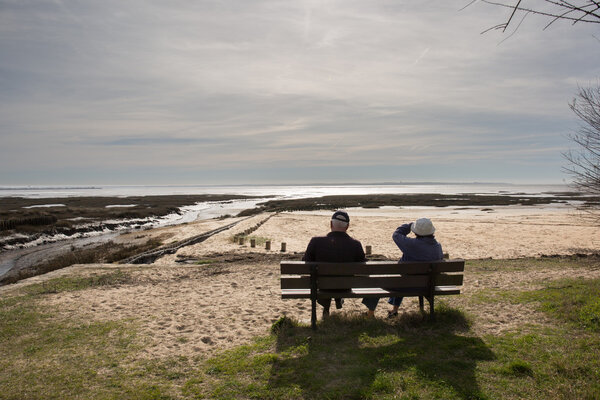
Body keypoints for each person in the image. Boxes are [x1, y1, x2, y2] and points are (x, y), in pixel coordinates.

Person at [362, 217, 443, 318]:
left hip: (406, 284)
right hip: (428, 285)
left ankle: (370, 314)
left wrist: (409, 225)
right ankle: (394, 310)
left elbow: (396, 235)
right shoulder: (437, 246)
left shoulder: (411, 244)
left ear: (416, 232)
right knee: (402, 277)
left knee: (378, 280)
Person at [302, 210, 366, 317]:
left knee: (324, 280)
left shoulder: (316, 241)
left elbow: (305, 262)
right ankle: (338, 298)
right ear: (347, 226)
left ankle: (326, 307)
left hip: (322, 285)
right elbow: (363, 267)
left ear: (331, 224)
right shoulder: (356, 244)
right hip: (345, 286)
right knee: (338, 277)